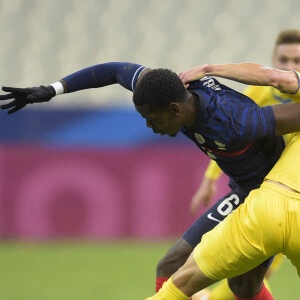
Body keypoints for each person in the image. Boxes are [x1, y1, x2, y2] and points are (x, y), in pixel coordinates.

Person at [1, 61, 300, 299]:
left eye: (151, 118)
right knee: (241, 286)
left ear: (174, 110)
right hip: (244, 189)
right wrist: (54, 89)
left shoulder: (236, 123)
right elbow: (114, 71)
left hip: (268, 194)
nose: (148, 126)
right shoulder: (170, 89)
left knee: (180, 267)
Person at [191, 29, 300, 300]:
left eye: (296, 60)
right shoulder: (261, 93)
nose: (289, 66)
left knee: (249, 278)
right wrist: (209, 179)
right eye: (283, 60)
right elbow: (232, 135)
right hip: (274, 193)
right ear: (273, 59)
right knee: (253, 275)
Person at [145, 120, 300, 300]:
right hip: (266, 195)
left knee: (245, 284)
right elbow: (239, 128)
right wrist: (210, 178)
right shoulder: (265, 97)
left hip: (271, 196)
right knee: (174, 263)